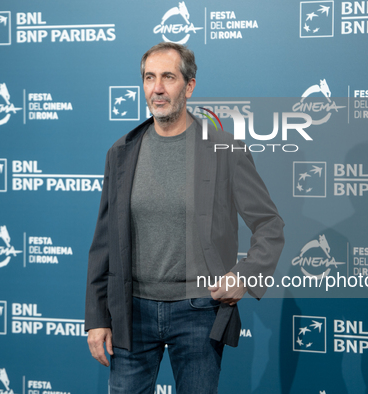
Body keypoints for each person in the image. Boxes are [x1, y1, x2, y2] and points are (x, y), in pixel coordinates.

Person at [85, 42, 284, 394]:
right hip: (132, 312)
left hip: (199, 311)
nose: (157, 88)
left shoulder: (226, 151)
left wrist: (245, 276)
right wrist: (98, 317)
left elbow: (269, 225)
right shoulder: (121, 152)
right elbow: (104, 241)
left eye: (168, 77)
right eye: (149, 77)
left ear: (189, 86)